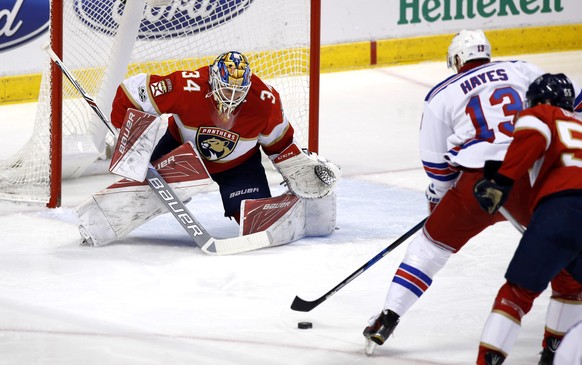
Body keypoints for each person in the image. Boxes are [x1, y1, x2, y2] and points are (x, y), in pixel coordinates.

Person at [362, 29, 546, 353]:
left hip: (476, 185)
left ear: (456, 59)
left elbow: (435, 163)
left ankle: (388, 317)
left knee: (429, 249)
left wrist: (438, 199)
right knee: (563, 241)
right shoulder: (523, 69)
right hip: (527, 174)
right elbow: (566, 102)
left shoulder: (441, 94)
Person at [75, 51, 340, 248]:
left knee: (257, 224)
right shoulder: (186, 86)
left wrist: (300, 168)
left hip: (239, 166)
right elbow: (132, 92)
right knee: (143, 193)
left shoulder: (265, 101)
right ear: (212, 80)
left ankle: (302, 210)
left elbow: (280, 145)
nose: (232, 97)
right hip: (181, 151)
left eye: (239, 91)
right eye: (226, 88)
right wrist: (128, 135)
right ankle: (96, 222)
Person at [473, 73, 582, 365]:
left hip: (563, 208)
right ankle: (556, 353)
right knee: (574, 286)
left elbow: (533, 138)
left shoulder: (542, 114)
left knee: (518, 292)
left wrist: (501, 182)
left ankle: (488, 360)